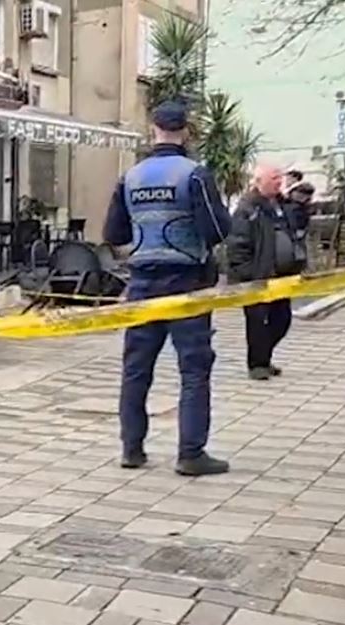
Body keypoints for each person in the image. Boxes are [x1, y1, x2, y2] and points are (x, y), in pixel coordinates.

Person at [103, 100, 233, 476]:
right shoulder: (195, 175)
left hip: (142, 283)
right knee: (193, 369)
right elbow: (217, 229)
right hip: (187, 284)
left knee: (136, 369)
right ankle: (190, 454)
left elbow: (114, 233)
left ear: (153, 130)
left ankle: (132, 449)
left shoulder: (130, 177)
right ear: (186, 132)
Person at [226, 164, 308, 380]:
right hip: (257, 277)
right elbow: (237, 245)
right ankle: (257, 364)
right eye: (273, 178)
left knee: (282, 320)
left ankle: (264, 356)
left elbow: (296, 231)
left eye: (280, 177)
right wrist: (248, 273)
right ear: (259, 181)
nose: (279, 182)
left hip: (282, 276)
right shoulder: (247, 208)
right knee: (257, 323)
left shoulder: (282, 205)